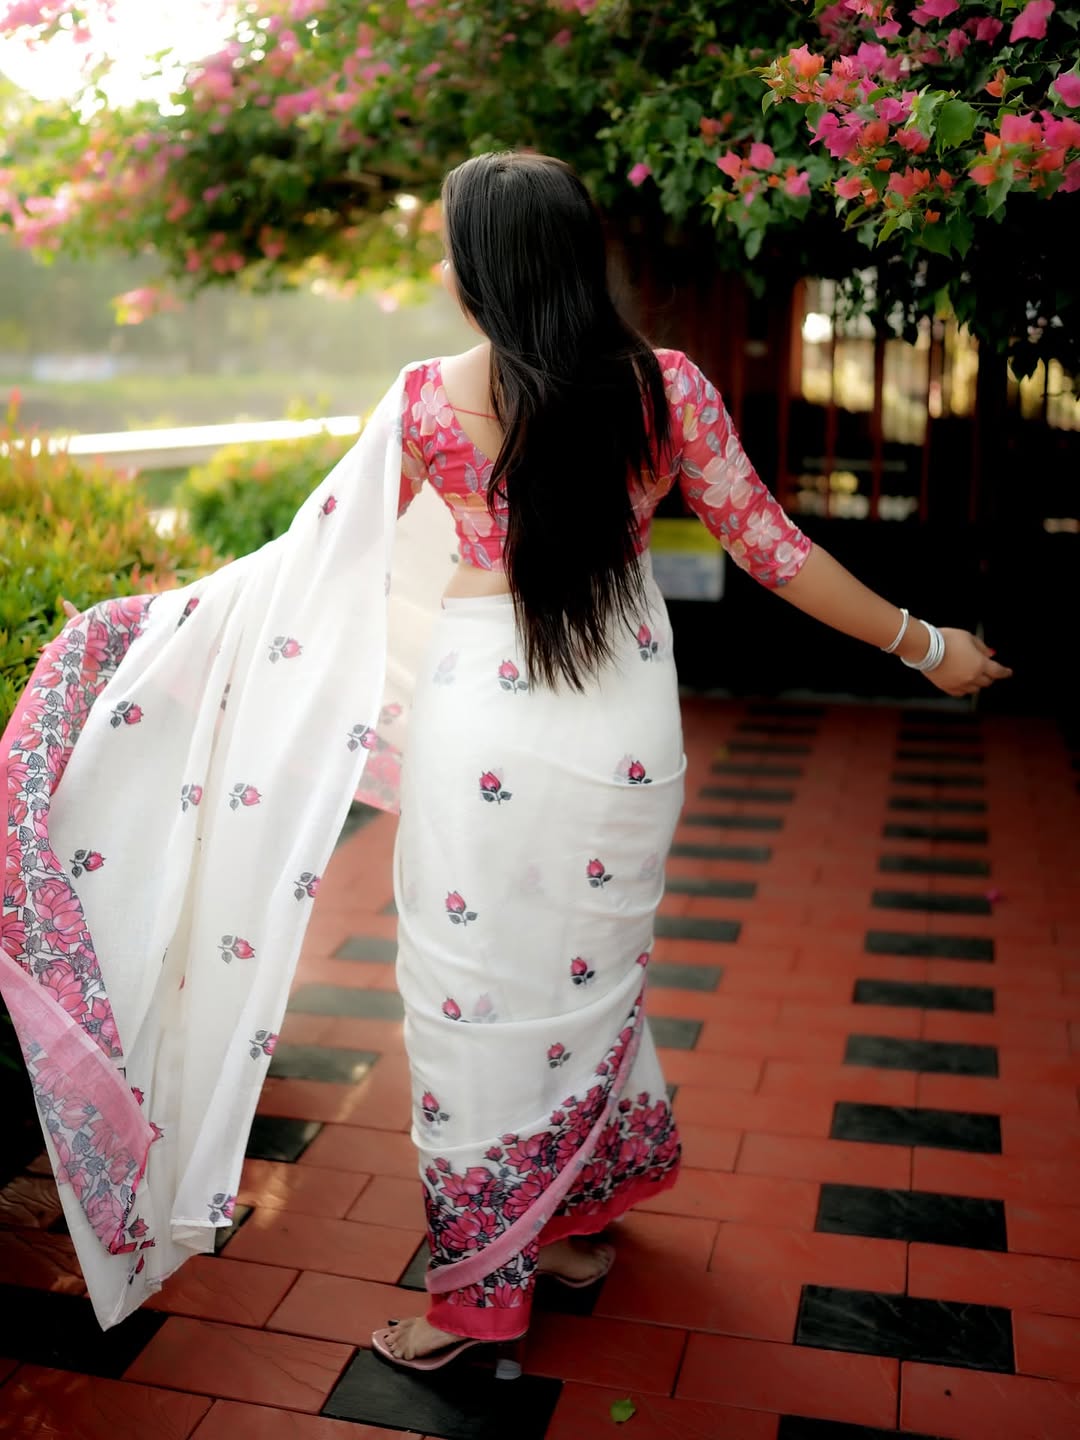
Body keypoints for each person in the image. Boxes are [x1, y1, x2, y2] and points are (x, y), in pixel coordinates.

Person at [370, 151, 1012, 1372]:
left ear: (487, 269)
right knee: (587, 974)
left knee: (467, 993)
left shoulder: (418, 403)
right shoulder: (666, 390)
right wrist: (925, 645)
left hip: (482, 727)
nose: (445, 267)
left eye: (452, 245)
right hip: (620, 723)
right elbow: (772, 547)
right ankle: (565, 1226)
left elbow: (325, 570)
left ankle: (475, 1300)